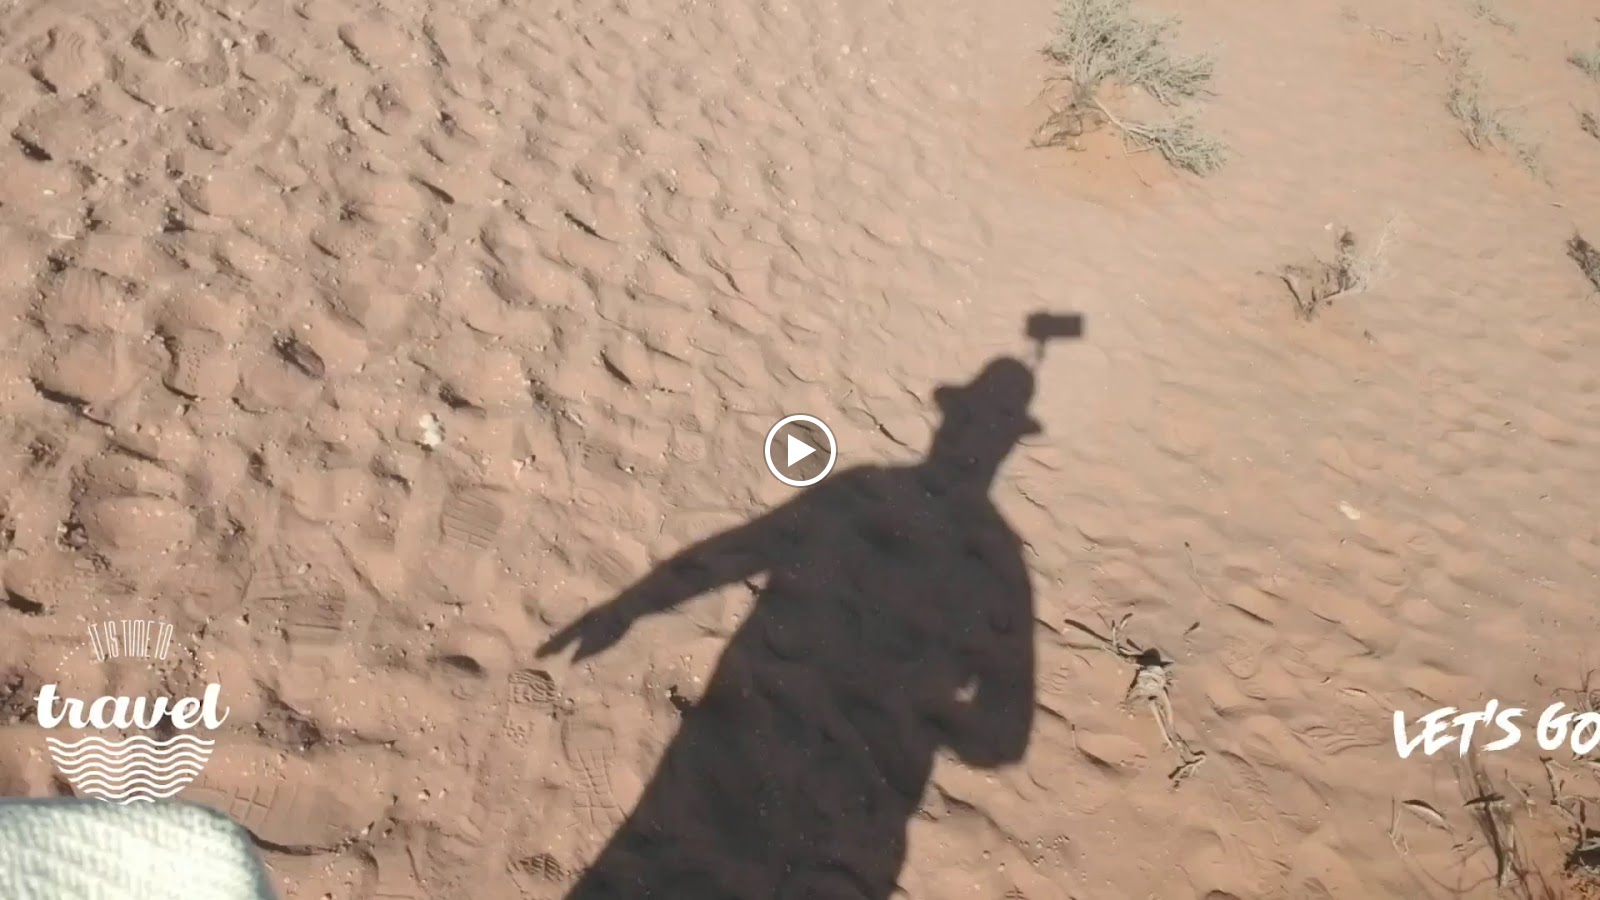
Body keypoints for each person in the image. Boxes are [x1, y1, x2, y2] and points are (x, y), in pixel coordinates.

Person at [540, 357, 1043, 900]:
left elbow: (1004, 734)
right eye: (965, 420)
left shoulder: (987, 557)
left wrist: (922, 709)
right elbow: (744, 548)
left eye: (975, 424)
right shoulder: (901, 511)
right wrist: (633, 604)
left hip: (835, 816)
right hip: (746, 769)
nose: (962, 435)